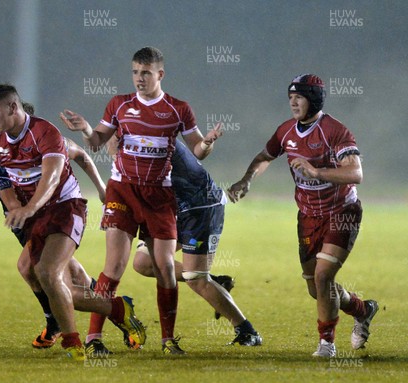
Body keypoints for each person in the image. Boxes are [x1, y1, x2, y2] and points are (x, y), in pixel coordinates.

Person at [0, 86, 145, 360]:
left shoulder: (47, 134)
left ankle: (71, 340)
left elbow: (63, 169)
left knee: (47, 272)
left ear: (13, 109)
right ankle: (116, 310)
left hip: (64, 207)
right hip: (30, 215)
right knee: (51, 275)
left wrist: (102, 190)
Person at [60, 46, 223, 355]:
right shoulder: (119, 105)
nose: (139, 78)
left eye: (145, 73)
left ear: (160, 74)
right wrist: (85, 130)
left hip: (159, 195)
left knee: (163, 265)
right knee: (115, 265)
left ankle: (168, 340)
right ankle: (95, 338)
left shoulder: (178, 109)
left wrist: (209, 143)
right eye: (135, 72)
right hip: (123, 190)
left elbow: (197, 151)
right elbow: (96, 143)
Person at [227, 74, 378, 358]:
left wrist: (317, 171)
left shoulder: (334, 131)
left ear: (314, 99)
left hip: (341, 212)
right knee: (317, 287)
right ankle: (363, 309)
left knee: (323, 277)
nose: (293, 102)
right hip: (308, 216)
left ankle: (326, 345)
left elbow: (356, 173)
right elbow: (264, 157)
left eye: (299, 97)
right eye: (290, 97)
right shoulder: (286, 131)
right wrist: (246, 180)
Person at [0, 101, 130, 352]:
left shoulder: (52, 143)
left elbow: (83, 156)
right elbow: (6, 194)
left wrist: (100, 189)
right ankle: (118, 315)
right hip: (25, 222)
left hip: (55, 217)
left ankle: (74, 324)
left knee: (36, 271)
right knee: (69, 276)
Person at [133, 138, 262, 346]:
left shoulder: (156, 135)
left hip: (200, 207)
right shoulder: (135, 137)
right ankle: (216, 282)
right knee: (144, 262)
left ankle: (247, 331)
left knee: (195, 278)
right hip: (174, 209)